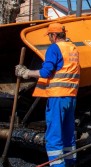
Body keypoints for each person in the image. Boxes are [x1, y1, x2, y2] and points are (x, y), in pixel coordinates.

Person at [15, 23, 80, 167]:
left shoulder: (54, 48)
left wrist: (26, 73)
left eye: (50, 36)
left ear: (54, 35)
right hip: (71, 97)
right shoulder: (72, 48)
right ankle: (70, 163)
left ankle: (57, 165)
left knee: (54, 136)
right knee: (68, 134)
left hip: (57, 97)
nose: (50, 39)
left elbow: (45, 72)